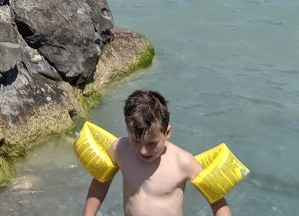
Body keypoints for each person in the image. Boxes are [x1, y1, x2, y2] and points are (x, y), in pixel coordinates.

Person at [81, 89, 233, 216]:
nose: (143, 150)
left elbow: (217, 202)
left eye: (152, 143)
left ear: (167, 132)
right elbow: (100, 184)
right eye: (135, 141)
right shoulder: (120, 149)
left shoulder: (183, 163)